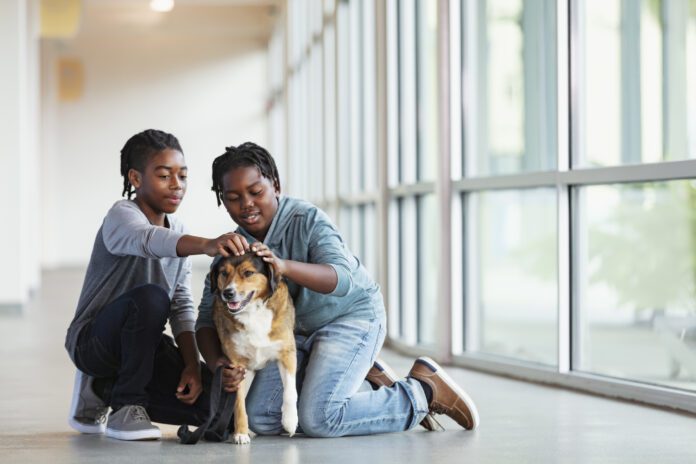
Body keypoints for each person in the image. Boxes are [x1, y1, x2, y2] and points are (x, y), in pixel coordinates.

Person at [195, 142, 480, 438]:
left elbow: (342, 280)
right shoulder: (229, 251)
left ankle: (423, 392)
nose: (247, 204)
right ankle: (364, 385)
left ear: (275, 185)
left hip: (349, 318)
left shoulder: (308, 219)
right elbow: (205, 318)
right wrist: (218, 364)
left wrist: (283, 266)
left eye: (256, 192)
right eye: (233, 197)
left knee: (319, 418)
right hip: (296, 336)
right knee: (262, 419)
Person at [65, 129, 245, 441]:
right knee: (150, 298)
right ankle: (125, 407)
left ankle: (108, 390)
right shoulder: (121, 216)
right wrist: (207, 244)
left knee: (215, 408)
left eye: (183, 176)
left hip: (143, 344)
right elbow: (148, 240)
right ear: (135, 178)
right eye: (164, 175)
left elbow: (181, 305)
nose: (177, 185)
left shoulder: (178, 230)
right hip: (93, 343)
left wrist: (192, 365)